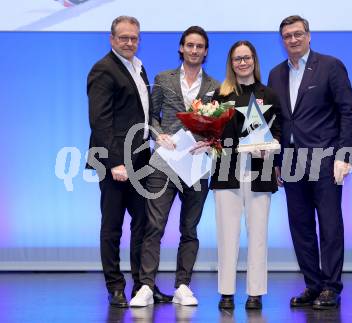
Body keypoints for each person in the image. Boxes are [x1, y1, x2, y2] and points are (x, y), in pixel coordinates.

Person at [268, 15, 352, 309]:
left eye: (297, 34)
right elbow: (278, 122)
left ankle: (331, 287)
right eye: (287, 36)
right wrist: (278, 160)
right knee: (301, 227)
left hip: (325, 159)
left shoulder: (331, 66)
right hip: (292, 161)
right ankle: (313, 284)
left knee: (330, 225)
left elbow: (349, 112)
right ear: (282, 41)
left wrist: (345, 155)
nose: (292, 40)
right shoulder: (275, 74)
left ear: (309, 36)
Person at [130, 26, 219, 307]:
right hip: (164, 162)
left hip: (196, 163)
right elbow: (151, 117)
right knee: (153, 225)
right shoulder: (163, 78)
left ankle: (183, 284)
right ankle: (146, 286)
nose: (194, 50)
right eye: (189, 45)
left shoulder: (215, 87)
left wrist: (212, 141)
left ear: (205, 51)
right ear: (181, 47)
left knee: (189, 228)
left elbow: (220, 127)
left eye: (199, 46)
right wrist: (159, 135)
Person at [87, 15, 170, 307]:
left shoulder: (139, 66)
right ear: (112, 40)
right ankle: (115, 287)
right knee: (112, 226)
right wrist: (114, 163)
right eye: (123, 38)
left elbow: (140, 114)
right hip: (114, 163)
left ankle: (142, 286)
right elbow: (100, 122)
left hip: (140, 160)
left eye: (134, 38)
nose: (129, 42)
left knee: (144, 224)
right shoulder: (103, 70)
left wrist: (155, 138)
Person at [210, 40, 281, 310]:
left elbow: (279, 131)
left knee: (258, 233)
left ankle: (255, 293)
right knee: (226, 235)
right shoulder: (220, 94)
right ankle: (226, 292)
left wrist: (271, 149)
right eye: (238, 58)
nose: (243, 62)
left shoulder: (269, 94)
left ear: (254, 60)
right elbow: (212, 132)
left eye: (247, 57)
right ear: (231, 62)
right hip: (226, 170)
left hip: (259, 170)